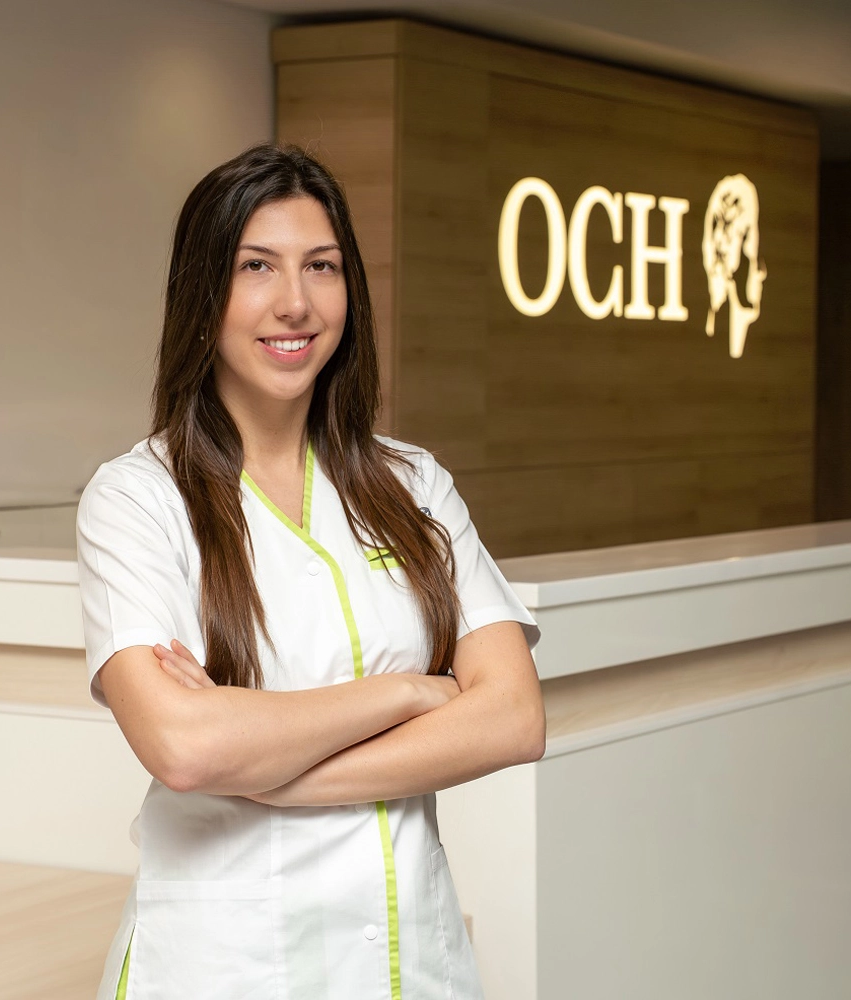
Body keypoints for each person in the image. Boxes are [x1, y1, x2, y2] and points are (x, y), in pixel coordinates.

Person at [75, 142, 544, 1000]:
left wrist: (269, 773)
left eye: (321, 266)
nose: (295, 302)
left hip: (408, 962)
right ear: (203, 292)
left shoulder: (413, 484)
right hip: (227, 968)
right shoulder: (138, 499)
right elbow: (184, 746)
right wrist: (411, 692)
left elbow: (513, 718)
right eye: (257, 266)